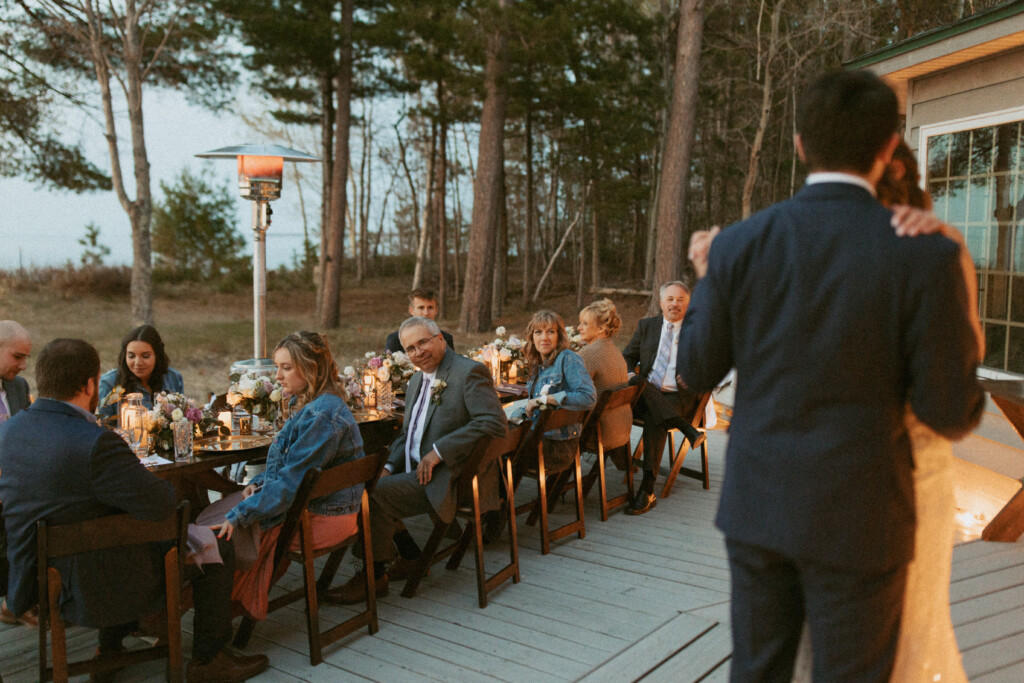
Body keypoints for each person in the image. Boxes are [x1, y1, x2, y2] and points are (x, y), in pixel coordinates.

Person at [677, 69, 984, 681]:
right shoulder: (926, 254)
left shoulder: (737, 246)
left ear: (798, 144)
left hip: (759, 506)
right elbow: (949, 412)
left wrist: (711, 279)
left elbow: (694, 370)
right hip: (864, 515)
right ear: (888, 149)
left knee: (756, 673)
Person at [786, 139, 983, 683]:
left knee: (893, 627)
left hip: (877, 471)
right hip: (897, 471)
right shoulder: (939, 249)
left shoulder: (935, 250)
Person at [0, 338, 268, 682]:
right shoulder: (96, 442)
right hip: (103, 587)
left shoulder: (8, 433)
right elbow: (161, 504)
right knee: (217, 541)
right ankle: (208, 659)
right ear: (90, 384)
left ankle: (109, 648)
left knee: (112, 530)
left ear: (42, 379)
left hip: (41, 582)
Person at [326, 316, 506, 604]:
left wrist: (439, 451)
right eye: (410, 348)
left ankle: (372, 577)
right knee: (370, 480)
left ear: (440, 340)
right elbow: (407, 436)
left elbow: (494, 422)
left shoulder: (468, 372)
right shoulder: (416, 381)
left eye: (423, 342)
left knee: (370, 496)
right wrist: (387, 467)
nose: (417, 352)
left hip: (449, 476)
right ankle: (410, 557)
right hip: (415, 471)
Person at [210, 331, 365, 620]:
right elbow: (290, 470)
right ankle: (225, 608)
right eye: (277, 367)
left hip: (326, 518)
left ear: (312, 369)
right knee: (236, 519)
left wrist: (240, 515)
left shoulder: (322, 415)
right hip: (321, 509)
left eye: (286, 367)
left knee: (230, 533)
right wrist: (257, 483)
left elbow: (289, 484)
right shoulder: (314, 404)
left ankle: (218, 614)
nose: (278, 376)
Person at [621, 282, 706, 515]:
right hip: (644, 393)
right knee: (638, 383)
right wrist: (630, 373)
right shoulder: (647, 326)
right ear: (661, 303)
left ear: (688, 304)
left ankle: (647, 490)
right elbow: (627, 356)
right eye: (670, 299)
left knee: (654, 417)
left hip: (678, 398)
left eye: (680, 299)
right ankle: (686, 429)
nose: (674, 304)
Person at [516, 310, 597, 473]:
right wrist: (516, 415)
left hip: (556, 448)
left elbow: (589, 397)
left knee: (492, 455)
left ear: (559, 336)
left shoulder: (568, 358)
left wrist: (544, 400)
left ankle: (500, 497)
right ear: (532, 337)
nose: (544, 338)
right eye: (538, 332)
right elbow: (533, 406)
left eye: (550, 332)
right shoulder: (539, 364)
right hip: (541, 439)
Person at [0, 320, 32, 620]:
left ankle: (19, 600)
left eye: (26, 358)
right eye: (17, 357)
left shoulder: (19, 387)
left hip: (16, 482)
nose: (23, 365)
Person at [577, 299, 633, 471]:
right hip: (622, 431)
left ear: (601, 329)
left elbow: (567, 389)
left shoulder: (589, 353)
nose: (579, 328)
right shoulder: (615, 351)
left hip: (600, 433)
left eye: (585, 324)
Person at [97, 324, 184, 418]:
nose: (138, 363)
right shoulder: (108, 383)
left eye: (145, 356)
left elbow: (181, 420)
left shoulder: (173, 378)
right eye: (131, 356)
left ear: (157, 355)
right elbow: (103, 427)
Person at [384, 288, 456, 354]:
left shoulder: (446, 338)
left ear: (436, 310)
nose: (426, 313)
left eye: (430, 308)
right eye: (421, 308)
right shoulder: (395, 339)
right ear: (411, 310)